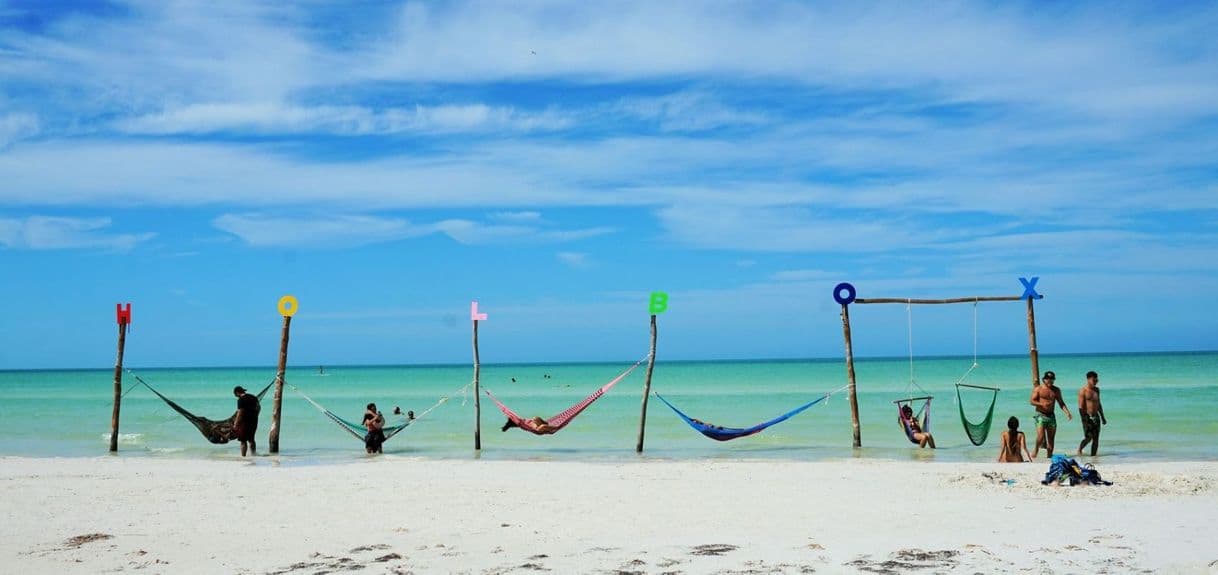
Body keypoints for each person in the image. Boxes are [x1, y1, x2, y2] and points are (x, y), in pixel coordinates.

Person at [1030, 370, 1072, 458]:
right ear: (1044, 380)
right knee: (1041, 436)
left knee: (1051, 438)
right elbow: (1032, 401)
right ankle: (1036, 450)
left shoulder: (1056, 390)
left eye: (1052, 379)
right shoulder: (1038, 389)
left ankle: (1049, 457)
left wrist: (1067, 412)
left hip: (1051, 415)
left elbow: (1061, 402)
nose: (1050, 381)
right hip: (1040, 415)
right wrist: (1042, 404)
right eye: (1048, 379)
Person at [1077, 371, 1108, 456]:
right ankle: (1079, 449)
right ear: (1088, 379)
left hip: (1096, 416)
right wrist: (1084, 419)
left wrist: (1102, 417)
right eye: (1093, 380)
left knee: (1096, 439)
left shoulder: (1097, 390)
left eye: (1096, 380)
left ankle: (1093, 457)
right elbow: (1080, 407)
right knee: (1088, 437)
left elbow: (1098, 404)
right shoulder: (1083, 391)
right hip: (1087, 416)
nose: (1095, 381)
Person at [232, 386, 260, 457]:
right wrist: (256, 415)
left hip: (244, 422)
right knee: (251, 439)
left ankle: (243, 457)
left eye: (236, 395)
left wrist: (236, 424)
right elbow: (258, 407)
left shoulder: (241, 400)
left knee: (243, 440)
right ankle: (253, 454)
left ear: (237, 392)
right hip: (254, 420)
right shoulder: (253, 397)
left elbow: (240, 412)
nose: (236, 397)